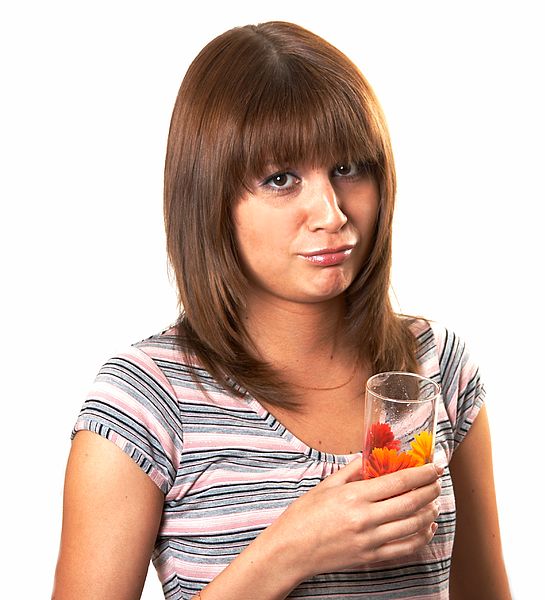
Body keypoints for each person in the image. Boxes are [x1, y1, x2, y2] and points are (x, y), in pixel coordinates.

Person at [52, 21, 510, 600]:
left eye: (348, 168)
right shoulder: (145, 399)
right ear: (209, 196)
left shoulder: (435, 364)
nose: (331, 212)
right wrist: (288, 551)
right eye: (281, 178)